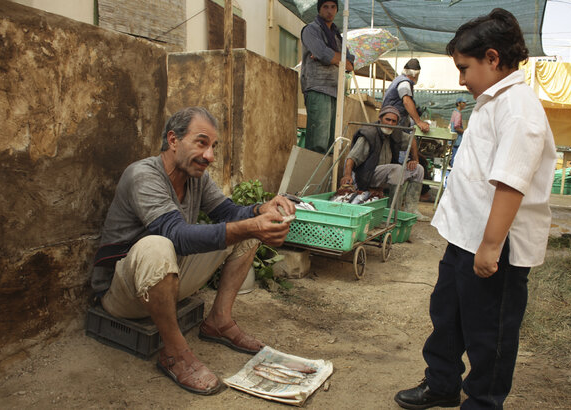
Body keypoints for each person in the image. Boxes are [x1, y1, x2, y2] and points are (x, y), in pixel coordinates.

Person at [394, 8, 556, 409]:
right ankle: (443, 383)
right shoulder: (491, 100)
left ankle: (482, 402)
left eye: (464, 68)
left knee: (490, 334)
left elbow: (510, 182)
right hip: (465, 238)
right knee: (447, 316)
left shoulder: (519, 109)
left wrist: (489, 246)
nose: (461, 80)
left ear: (492, 58)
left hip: (494, 247)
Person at [91, 107, 296, 396]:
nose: (209, 156)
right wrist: (251, 224)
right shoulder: (142, 175)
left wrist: (261, 209)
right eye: (201, 143)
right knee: (158, 244)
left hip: (167, 281)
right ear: (173, 140)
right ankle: (174, 352)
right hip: (123, 293)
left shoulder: (195, 176)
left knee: (246, 231)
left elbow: (229, 212)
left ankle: (219, 322)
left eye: (213, 146)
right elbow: (175, 236)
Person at [339, 105, 429, 221]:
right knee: (396, 169)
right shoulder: (369, 134)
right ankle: (391, 210)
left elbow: (412, 139)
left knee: (418, 169)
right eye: (388, 120)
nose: (390, 124)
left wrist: (414, 159)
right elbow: (351, 158)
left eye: (393, 121)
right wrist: (347, 175)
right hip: (367, 175)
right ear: (380, 119)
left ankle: (411, 209)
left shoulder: (395, 133)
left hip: (387, 175)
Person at [300, 0, 355, 154]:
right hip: (318, 87)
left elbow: (350, 64)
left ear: (337, 10)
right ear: (319, 9)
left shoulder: (337, 36)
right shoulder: (311, 30)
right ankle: (313, 178)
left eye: (333, 7)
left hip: (335, 91)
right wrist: (333, 58)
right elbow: (322, 53)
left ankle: (326, 179)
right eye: (325, 7)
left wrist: (331, 57)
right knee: (318, 143)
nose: (329, 11)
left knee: (332, 144)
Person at [381, 58, 430, 133]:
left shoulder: (399, 79)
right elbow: (407, 101)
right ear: (415, 75)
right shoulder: (404, 83)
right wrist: (419, 122)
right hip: (392, 121)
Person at [449, 95, 467, 167]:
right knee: (456, 156)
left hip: (454, 139)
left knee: (454, 154)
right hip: (457, 139)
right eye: (463, 102)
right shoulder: (458, 114)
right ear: (458, 103)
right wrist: (465, 132)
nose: (465, 104)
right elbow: (456, 127)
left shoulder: (454, 112)